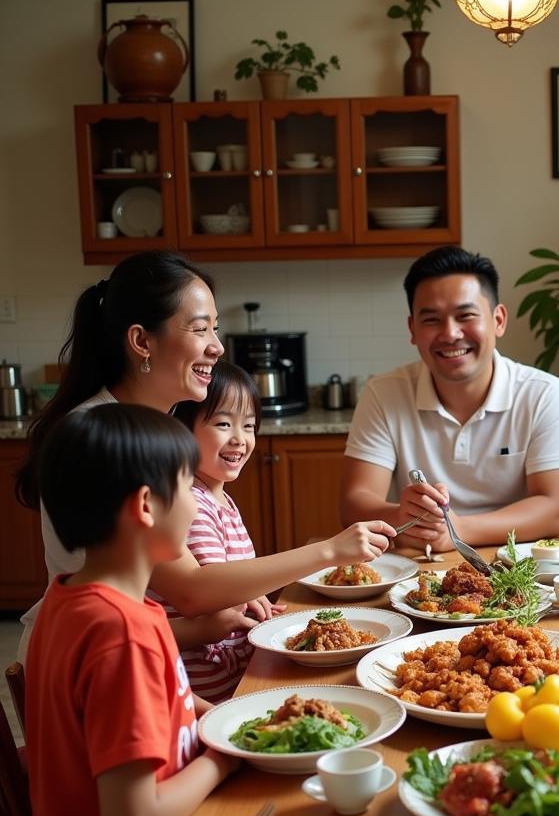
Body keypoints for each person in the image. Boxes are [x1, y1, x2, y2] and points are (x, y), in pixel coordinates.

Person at [16, 250, 394, 663]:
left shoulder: (159, 422)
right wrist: (330, 551)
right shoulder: (106, 438)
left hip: (147, 651)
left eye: (215, 329)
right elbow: (190, 590)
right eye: (200, 330)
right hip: (93, 666)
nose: (216, 347)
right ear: (142, 341)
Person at [24, 403, 237, 816]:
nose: (197, 503)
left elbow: (168, 703)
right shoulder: (121, 632)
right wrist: (224, 758)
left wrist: (220, 718)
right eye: (189, 486)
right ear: (146, 506)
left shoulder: (77, 601)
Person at [339, 245, 559, 551]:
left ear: (498, 320)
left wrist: (458, 530)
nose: (450, 333)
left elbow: (553, 510)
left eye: (465, 315)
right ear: (412, 329)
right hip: (419, 568)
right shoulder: (384, 392)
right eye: (431, 320)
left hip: (517, 568)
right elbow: (354, 502)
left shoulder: (544, 393)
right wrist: (404, 516)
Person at [169, 362, 281, 702]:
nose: (240, 439)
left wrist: (253, 600)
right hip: (209, 688)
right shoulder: (192, 502)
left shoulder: (222, 499)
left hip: (235, 672)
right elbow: (215, 590)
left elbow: (234, 587)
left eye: (249, 426)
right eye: (222, 423)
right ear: (182, 431)